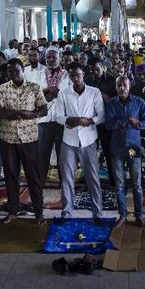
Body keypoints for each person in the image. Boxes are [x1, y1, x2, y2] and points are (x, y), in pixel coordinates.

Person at [0, 59, 49, 224]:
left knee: (33, 176)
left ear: (22, 70)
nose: (13, 75)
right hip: (8, 138)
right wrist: (19, 112)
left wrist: (33, 115)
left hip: (29, 138)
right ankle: (13, 210)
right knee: (11, 175)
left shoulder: (34, 88)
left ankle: (39, 213)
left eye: (16, 71)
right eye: (10, 72)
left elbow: (43, 109)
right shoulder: (2, 89)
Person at [57, 63, 105, 222]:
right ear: (69, 77)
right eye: (72, 76)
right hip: (69, 141)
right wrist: (74, 120)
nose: (75, 79)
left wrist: (89, 121)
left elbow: (101, 116)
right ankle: (66, 212)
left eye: (78, 75)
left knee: (92, 177)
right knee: (67, 178)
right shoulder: (64, 93)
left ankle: (97, 213)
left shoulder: (94, 92)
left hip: (88, 140)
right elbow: (58, 116)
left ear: (83, 74)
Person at [104, 76, 145, 227]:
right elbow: (108, 123)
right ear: (116, 86)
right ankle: (123, 215)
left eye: (124, 85)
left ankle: (139, 215)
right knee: (119, 185)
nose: (122, 88)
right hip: (117, 149)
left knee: (136, 184)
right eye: (119, 85)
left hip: (133, 148)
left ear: (130, 86)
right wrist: (122, 122)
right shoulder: (111, 103)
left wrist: (137, 123)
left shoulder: (139, 102)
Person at [37, 48, 68, 185]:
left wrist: (56, 92)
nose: (51, 60)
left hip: (61, 120)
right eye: (48, 57)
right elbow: (36, 94)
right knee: (42, 154)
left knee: (63, 154)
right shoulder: (39, 74)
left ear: (59, 58)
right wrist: (49, 90)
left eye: (54, 57)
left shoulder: (67, 75)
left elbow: (69, 94)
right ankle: (40, 182)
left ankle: (64, 183)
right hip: (45, 119)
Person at [88, 56, 119, 185]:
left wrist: (107, 98)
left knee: (109, 153)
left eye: (97, 70)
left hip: (107, 122)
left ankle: (113, 181)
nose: (94, 73)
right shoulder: (87, 81)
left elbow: (119, 101)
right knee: (90, 154)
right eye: (92, 71)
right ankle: (92, 181)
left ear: (102, 67)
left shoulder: (112, 81)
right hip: (92, 122)